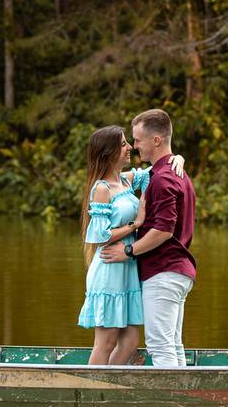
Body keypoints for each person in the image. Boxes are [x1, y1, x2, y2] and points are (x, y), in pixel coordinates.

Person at [78, 125, 184, 365]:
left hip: (127, 269)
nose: (130, 148)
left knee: (130, 341)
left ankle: (110, 389)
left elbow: (155, 169)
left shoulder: (126, 180)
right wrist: (135, 225)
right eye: (124, 144)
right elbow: (101, 235)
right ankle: (94, 396)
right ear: (109, 152)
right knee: (106, 342)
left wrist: (178, 158)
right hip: (109, 267)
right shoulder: (102, 189)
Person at [101, 109, 196, 367]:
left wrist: (128, 251)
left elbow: (164, 230)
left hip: (163, 271)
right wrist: (179, 157)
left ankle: (171, 405)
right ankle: (180, 400)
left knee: (160, 346)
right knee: (173, 345)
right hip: (176, 271)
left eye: (138, 139)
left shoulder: (163, 179)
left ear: (156, 140)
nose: (134, 145)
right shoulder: (172, 173)